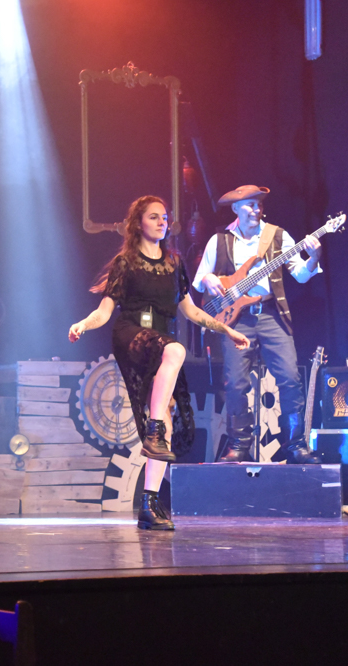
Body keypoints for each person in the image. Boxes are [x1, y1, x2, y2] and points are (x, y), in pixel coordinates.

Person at [69, 196, 249, 530]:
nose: (162, 222)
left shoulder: (174, 264)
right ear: (139, 223)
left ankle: (149, 504)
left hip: (161, 346)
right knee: (177, 351)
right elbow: (104, 312)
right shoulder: (126, 263)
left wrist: (227, 330)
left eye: (165, 217)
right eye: (154, 217)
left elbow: (192, 311)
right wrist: (83, 324)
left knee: (164, 417)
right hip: (132, 336)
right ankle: (152, 429)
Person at [192, 185, 323, 463]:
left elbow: (300, 274)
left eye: (259, 205)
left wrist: (314, 257)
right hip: (235, 320)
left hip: (271, 314)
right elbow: (200, 277)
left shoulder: (277, 236)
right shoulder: (219, 240)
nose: (256, 210)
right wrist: (209, 279)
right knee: (236, 383)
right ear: (236, 209)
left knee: (289, 378)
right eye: (250, 205)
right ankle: (239, 445)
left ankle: (295, 445)